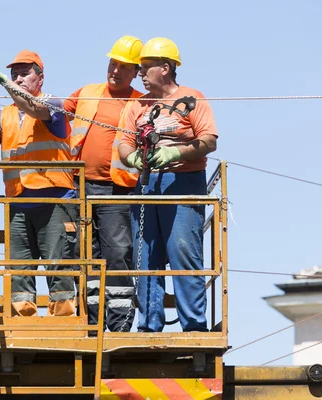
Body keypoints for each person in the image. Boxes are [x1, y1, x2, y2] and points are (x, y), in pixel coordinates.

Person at [0, 50, 77, 317]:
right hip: (19, 199)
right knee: (19, 266)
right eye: (15, 73)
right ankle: (22, 316)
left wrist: (4, 82)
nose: (19, 77)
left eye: (25, 73)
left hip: (55, 199)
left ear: (41, 78)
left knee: (58, 263)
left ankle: (64, 316)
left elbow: (33, 108)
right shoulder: (4, 114)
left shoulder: (53, 105)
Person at [118, 37, 218, 332]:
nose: (140, 73)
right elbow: (123, 144)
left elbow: (209, 140)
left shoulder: (191, 98)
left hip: (184, 182)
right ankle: (149, 325)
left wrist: (175, 152)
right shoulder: (137, 106)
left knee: (183, 253)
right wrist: (134, 158)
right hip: (147, 184)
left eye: (145, 67)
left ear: (165, 68)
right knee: (147, 258)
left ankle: (194, 327)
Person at [63, 36, 143, 332]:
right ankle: (92, 322)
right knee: (85, 256)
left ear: (136, 72)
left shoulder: (140, 103)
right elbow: (51, 113)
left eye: (124, 66)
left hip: (117, 189)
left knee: (117, 254)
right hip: (80, 187)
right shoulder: (87, 93)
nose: (116, 70)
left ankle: (119, 324)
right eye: (113, 63)